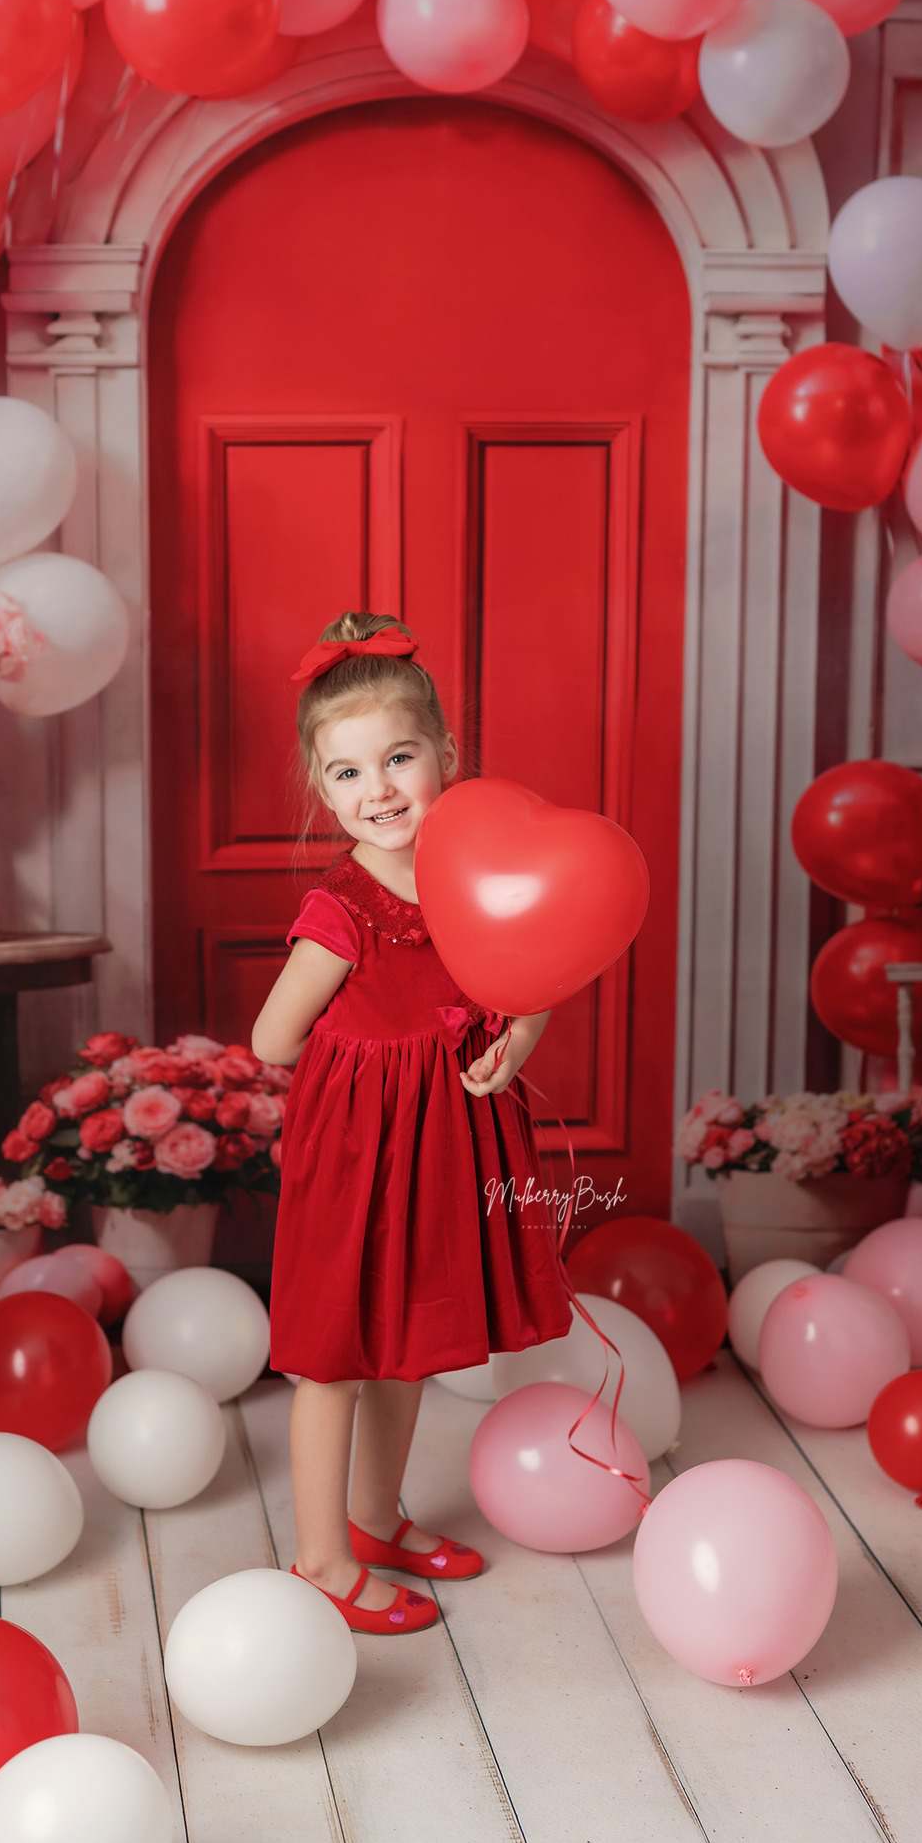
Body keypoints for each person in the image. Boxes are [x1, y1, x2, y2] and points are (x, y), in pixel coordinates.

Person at [252, 610, 573, 1636]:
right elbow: (273, 1037)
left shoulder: (467, 874)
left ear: (446, 755)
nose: (378, 789)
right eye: (347, 773)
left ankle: (377, 1513)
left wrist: (512, 1042)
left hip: (441, 1145)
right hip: (359, 1152)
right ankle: (319, 1557)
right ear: (319, 786)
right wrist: (375, 1072)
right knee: (337, 1354)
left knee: (408, 1340)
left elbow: (538, 972)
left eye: (398, 758)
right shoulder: (343, 907)